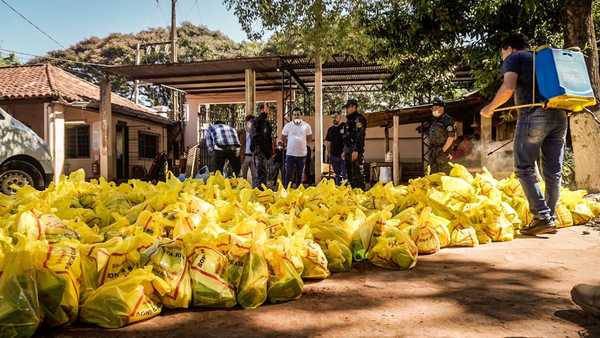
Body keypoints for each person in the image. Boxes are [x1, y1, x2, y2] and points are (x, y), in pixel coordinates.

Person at [480, 33, 566, 236]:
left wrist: (490, 108)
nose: (503, 57)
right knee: (553, 171)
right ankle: (549, 218)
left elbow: (508, 87)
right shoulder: (542, 58)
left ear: (509, 48)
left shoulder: (515, 58)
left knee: (524, 167)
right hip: (560, 114)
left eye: (502, 53)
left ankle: (542, 216)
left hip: (534, 113)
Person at [417, 97, 456, 174]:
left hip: (443, 151)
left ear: (442, 108)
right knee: (433, 173)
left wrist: (443, 150)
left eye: (436, 108)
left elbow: (451, 137)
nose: (434, 110)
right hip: (433, 150)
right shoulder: (433, 120)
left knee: (444, 173)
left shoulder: (447, 120)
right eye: (433, 108)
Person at [282, 107, 312, 188]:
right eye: (295, 115)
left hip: (302, 155)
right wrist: (290, 144)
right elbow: (283, 137)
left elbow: (309, 138)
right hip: (290, 154)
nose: (296, 116)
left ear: (301, 115)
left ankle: (298, 191)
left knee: (300, 174)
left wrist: (301, 144)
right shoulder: (288, 126)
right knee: (288, 174)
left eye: (298, 114)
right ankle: (286, 190)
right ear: (292, 115)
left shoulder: (307, 126)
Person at [343, 99, 367, 190]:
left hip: (355, 150)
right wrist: (344, 150)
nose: (347, 110)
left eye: (348, 107)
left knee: (357, 173)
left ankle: (360, 194)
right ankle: (353, 194)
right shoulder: (349, 120)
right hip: (348, 150)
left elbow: (359, 135)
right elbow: (346, 137)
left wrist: (356, 150)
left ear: (353, 107)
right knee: (350, 174)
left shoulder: (359, 119)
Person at [251, 104, 273, 189]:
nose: (268, 111)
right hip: (259, 149)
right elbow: (256, 135)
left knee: (264, 170)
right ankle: (260, 188)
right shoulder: (257, 121)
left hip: (265, 150)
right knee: (260, 169)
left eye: (268, 109)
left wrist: (270, 151)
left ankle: (263, 186)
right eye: (266, 109)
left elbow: (268, 137)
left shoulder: (267, 123)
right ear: (261, 110)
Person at [326, 111, 347, 185]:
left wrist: (344, 152)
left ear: (340, 116)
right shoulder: (330, 130)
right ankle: (339, 191)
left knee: (345, 175)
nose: (334, 118)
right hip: (334, 156)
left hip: (344, 156)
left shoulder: (345, 126)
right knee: (337, 175)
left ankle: (346, 191)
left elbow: (347, 141)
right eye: (333, 117)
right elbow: (328, 143)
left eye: (336, 116)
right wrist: (328, 154)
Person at [239, 114, 256, 181]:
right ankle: (243, 190)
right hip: (244, 156)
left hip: (253, 156)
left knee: (255, 176)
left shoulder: (255, 133)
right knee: (243, 177)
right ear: (246, 122)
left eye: (253, 122)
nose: (252, 123)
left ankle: (255, 190)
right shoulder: (241, 132)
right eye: (250, 121)